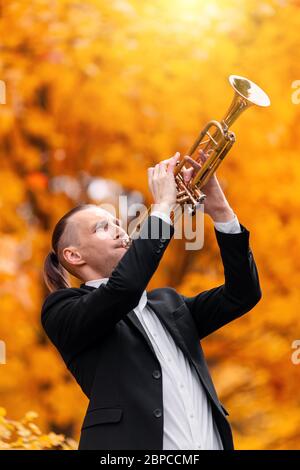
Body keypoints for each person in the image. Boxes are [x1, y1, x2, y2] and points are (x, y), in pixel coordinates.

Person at [41, 151, 262, 450]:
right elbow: (124, 289)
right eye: (102, 228)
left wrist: (220, 210)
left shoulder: (169, 304)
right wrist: (162, 208)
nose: (119, 230)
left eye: (116, 222)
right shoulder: (62, 310)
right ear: (73, 255)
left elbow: (243, 294)